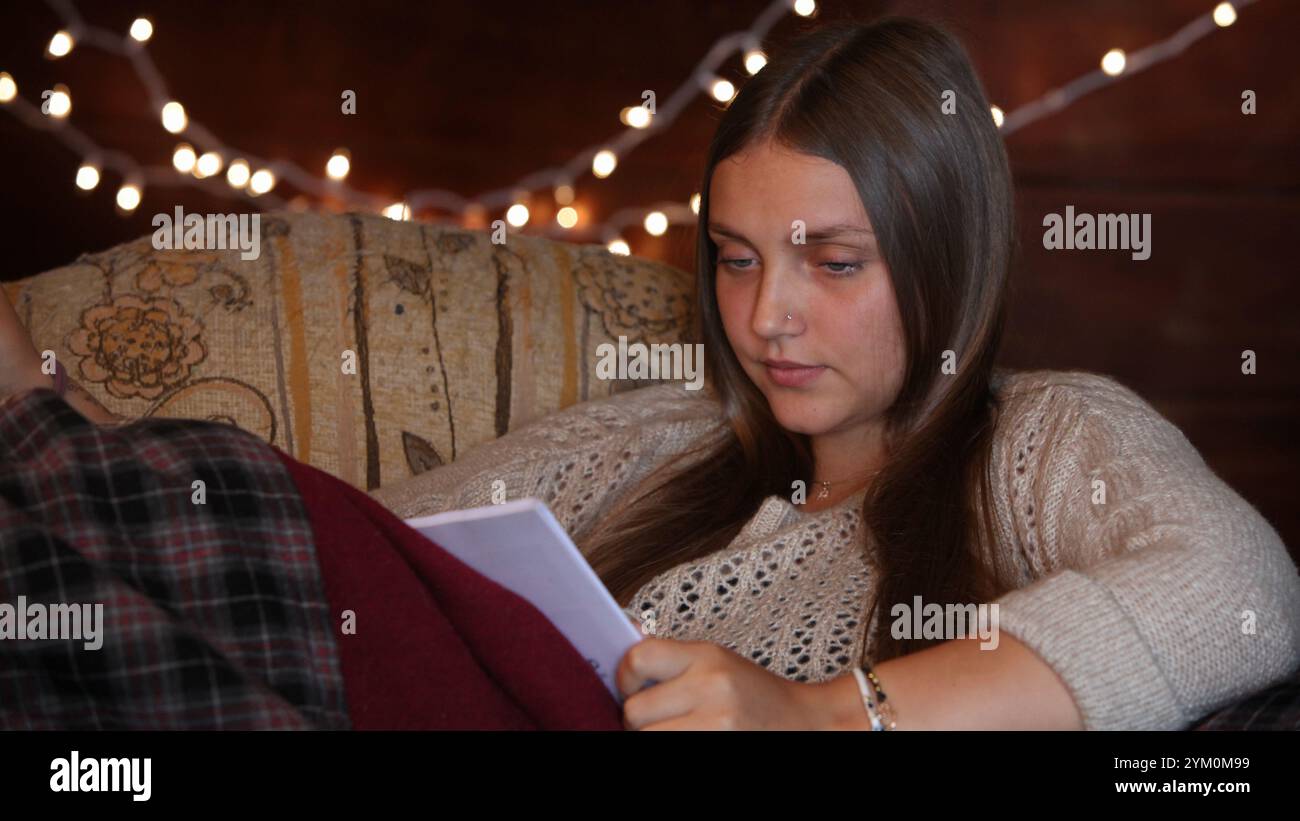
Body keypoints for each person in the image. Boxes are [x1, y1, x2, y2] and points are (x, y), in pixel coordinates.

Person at [4, 17, 1299, 730]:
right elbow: (349, 573)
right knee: (175, 541)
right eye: (735, 259)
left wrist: (815, 717)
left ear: (945, 260)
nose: (767, 318)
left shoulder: (1044, 436)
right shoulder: (652, 444)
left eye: (830, 264)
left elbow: (1243, 598)